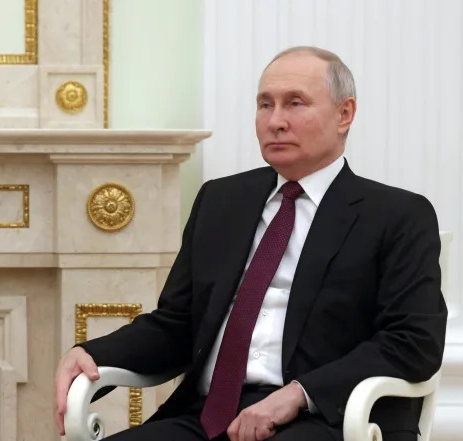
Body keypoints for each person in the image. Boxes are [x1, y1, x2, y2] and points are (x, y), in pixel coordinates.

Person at [53, 46, 448, 441]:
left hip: (327, 420)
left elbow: (413, 341)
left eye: (295, 103)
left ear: (344, 114)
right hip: (207, 417)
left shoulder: (397, 215)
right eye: (265, 104)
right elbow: (177, 324)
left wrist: (298, 395)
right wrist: (93, 354)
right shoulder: (220, 200)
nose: (275, 121)